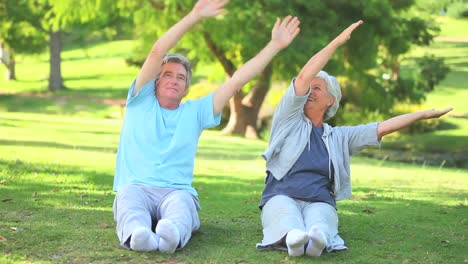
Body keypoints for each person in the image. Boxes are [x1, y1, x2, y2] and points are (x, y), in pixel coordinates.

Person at [112, 0, 301, 254]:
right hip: (136, 186)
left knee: (181, 208)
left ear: (186, 87)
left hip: (175, 191)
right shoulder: (139, 100)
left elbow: (238, 80)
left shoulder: (196, 112)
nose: (174, 80)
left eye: (181, 77)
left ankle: (171, 235)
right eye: (167, 74)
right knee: (129, 203)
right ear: (155, 82)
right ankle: (139, 234)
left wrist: (274, 45)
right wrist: (194, 16)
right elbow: (158, 51)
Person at [256, 20, 452, 257]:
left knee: (321, 219)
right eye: (309, 87)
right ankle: (293, 238)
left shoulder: (339, 136)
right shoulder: (288, 119)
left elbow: (381, 128)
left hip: (319, 200)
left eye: (317, 88)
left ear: (331, 100)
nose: (309, 91)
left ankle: (317, 238)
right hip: (281, 195)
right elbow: (304, 75)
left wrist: (421, 115)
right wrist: (337, 42)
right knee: (285, 215)